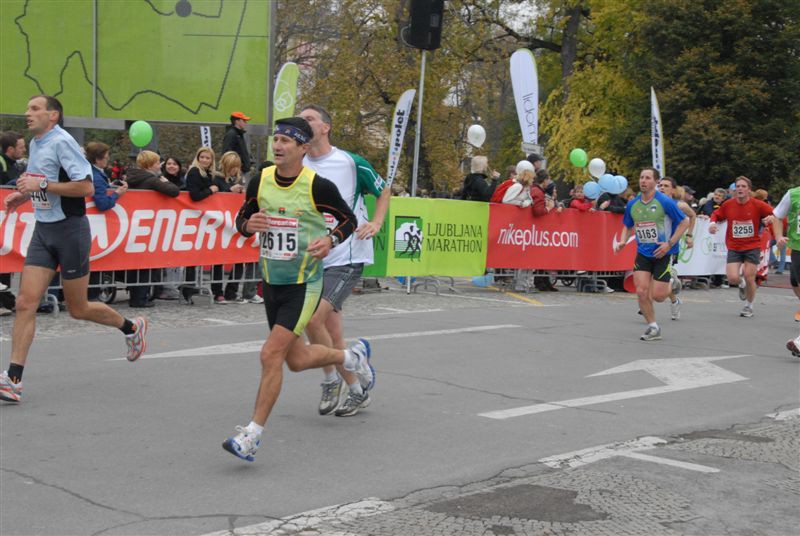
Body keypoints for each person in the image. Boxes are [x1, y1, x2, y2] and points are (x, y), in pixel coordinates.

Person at [223, 117, 372, 461]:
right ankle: (352, 357)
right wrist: (248, 225)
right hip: (272, 281)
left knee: (269, 354)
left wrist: (330, 239)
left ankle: (252, 436)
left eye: (286, 141)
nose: (278, 146)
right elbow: (242, 218)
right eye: (275, 139)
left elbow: (348, 220)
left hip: (304, 284)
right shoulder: (259, 180)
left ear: (303, 148)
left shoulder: (317, 186)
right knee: (296, 359)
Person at [0, 95, 147, 403]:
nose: (27, 113)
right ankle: (13, 379)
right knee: (26, 302)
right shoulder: (38, 143)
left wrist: (40, 188)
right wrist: (22, 196)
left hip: (70, 230)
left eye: (35, 109)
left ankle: (131, 327)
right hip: (43, 231)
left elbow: (86, 188)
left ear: (53, 115)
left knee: (79, 308)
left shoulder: (62, 142)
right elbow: (41, 182)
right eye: (27, 108)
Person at [299, 104, 388, 416]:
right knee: (331, 332)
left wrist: (376, 222)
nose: (303, 122)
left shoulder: (351, 162)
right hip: (313, 257)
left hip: (347, 253)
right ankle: (356, 387)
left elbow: (383, 189)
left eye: (309, 118)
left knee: (312, 319)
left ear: (325, 127)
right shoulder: (297, 165)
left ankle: (330, 378)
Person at [613, 167, 689, 341]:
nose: (643, 181)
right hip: (643, 253)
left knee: (659, 296)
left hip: (662, 253)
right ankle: (653, 327)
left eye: (647, 178)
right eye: (641, 177)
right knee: (641, 291)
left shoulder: (665, 202)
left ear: (655, 182)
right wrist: (623, 241)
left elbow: (684, 222)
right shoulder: (633, 204)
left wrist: (669, 243)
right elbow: (627, 224)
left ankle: (671, 282)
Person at [709, 176, 773, 318]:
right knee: (732, 278)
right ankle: (741, 283)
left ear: (749, 190)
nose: (740, 189)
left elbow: (775, 213)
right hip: (734, 245)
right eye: (738, 186)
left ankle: (749, 306)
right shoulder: (728, 204)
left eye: (743, 186)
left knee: (750, 277)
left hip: (752, 245)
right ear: (734, 189)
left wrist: (771, 218)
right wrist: (712, 224)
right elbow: (716, 214)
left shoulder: (758, 204)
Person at [125, 150, 180, 307]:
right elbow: (174, 191)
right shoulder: (150, 179)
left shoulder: (132, 176)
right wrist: (164, 180)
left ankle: (137, 296)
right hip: (146, 224)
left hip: (134, 222)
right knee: (144, 264)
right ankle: (140, 298)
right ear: (149, 165)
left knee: (135, 264)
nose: (159, 165)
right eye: (157, 163)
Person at [85, 141, 128, 301]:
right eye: (106, 157)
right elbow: (102, 203)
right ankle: (91, 294)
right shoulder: (96, 176)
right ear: (98, 159)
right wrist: (117, 194)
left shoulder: (91, 172)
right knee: (95, 259)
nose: (108, 160)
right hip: (94, 225)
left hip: (91, 223)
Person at [658, 177, 696, 320]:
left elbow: (692, 216)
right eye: (660, 185)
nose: (662, 188)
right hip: (653, 247)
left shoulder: (679, 205)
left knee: (663, 281)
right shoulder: (652, 204)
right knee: (652, 279)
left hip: (670, 247)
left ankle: (672, 281)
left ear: (673, 190)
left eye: (666, 186)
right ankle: (675, 300)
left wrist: (689, 235)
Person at [212, 151, 247, 303]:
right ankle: (217, 291)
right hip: (220, 223)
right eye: (232, 167)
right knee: (218, 259)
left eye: (236, 167)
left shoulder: (239, 179)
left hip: (235, 222)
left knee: (240, 258)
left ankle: (232, 291)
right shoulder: (217, 178)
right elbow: (214, 198)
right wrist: (228, 191)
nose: (234, 170)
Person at [769, 185, 800, 322]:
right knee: (794, 281)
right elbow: (777, 216)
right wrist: (779, 236)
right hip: (797, 246)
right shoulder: (793, 194)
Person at [222, 111, 251, 177]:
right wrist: (235, 168)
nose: (246, 123)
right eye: (244, 120)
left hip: (239, 171)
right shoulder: (232, 134)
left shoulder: (239, 134)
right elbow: (227, 153)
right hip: (235, 172)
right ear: (237, 121)